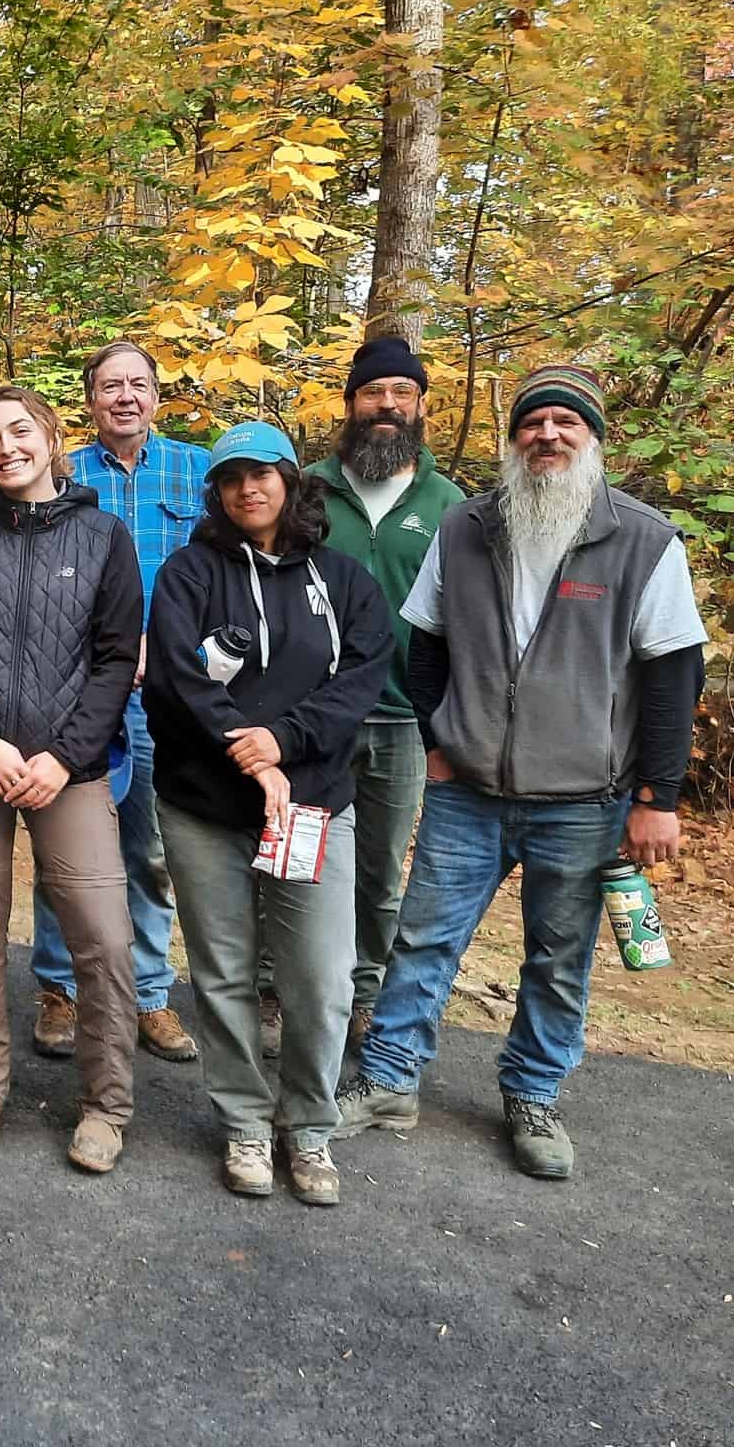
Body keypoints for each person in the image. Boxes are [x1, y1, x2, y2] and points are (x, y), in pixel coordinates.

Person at [336, 366, 708, 1179]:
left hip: (584, 799)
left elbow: (675, 676)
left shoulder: (643, 541)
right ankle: (389, 1080)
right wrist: (438, 737)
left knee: (558, 953)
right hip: (467, 791)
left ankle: (534, 1095)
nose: (547, 434)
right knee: (425, 938)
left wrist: (659, 796)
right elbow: (424, 641)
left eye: (566, 424)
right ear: (514, 439)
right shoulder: (467, 528)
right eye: (533, 422)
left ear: (593, 440)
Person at [145, 422, 393, 1204]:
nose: (248, 488)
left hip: (312, 808)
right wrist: (238, 746)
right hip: (204, 808)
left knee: (319, 979)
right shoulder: (189, 575)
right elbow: (177, 681)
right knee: (222, 975)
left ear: (290, 481)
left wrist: (281, 743)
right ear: (215, 493)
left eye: (261, 474)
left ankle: (309, 1128)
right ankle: (245, 1123)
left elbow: (360, 679)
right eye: (230, 479)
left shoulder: (344, 580)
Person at [0, 385, 143, 1171]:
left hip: (67, 769)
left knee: (103, 936)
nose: (5, 448)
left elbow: (116, 660)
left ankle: (106, 1105)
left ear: (49, 436)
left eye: (19, 432)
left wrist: (63, 756)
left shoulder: (105, 536)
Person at [257, 336, 464, 1055]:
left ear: (420, 406)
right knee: (292, 852)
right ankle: (273, 985)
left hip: (405, 717)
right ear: (349, 403)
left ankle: (364, 994)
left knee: (379, 871)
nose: (386, 405)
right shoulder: (306, 487)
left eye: (401, 393)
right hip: (310, 717)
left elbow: (462, 618)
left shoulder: (449, 504)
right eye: (373, 393)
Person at [28, 340, 204, 1065]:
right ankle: (59, 989)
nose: (124, 397)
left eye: (138, 385)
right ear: (90, 398)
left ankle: (150, 994)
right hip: (76, 696)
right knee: (64, 845)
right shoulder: (61, 473)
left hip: (171, 696)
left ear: (157, 396)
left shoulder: (197, 471)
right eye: (109, 386)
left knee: (150, 850)